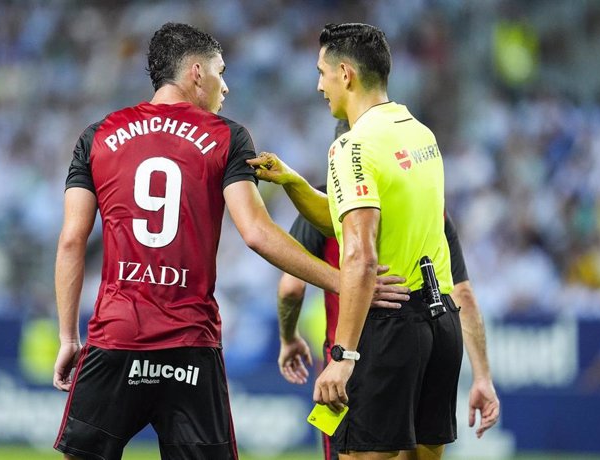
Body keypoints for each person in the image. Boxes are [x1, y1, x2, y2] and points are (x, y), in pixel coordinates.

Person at [52, 22, 408, 460]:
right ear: (196, 72)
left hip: (115, 334)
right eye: (221, 71)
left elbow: (72, 241)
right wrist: (347, 283)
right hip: (188, 341)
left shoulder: (97, 135)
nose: (227, 85)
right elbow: (257, 234)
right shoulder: (226, 136)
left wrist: (68, 336)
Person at [249, 22, 467, 459]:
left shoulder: (352, 147)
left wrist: (343, 354)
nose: (318, 85)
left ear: (345, 74)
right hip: (442, 325)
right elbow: (342, 221)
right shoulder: (420, 134)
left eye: (322, 72)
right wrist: (293, 182)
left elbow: (362, 257)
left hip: (389, 329)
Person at [277, 122, 499, 460]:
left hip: (353, 354)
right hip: (423, 346)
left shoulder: (324, 202)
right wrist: (482, 376)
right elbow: (462, 293)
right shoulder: (427, 207)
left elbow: (291, 288)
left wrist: (288, 337)